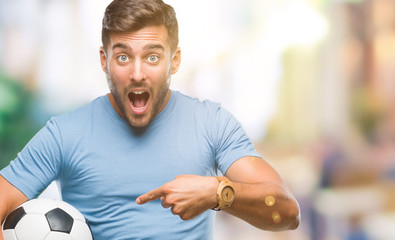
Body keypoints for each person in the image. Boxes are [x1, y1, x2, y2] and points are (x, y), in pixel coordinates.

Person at [0, 0, 300, 239]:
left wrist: (218, 192)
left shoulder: (212, 123)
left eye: (153, 57)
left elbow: (287, 213)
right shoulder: (65, 133)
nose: (138, 73)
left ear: (175, 60)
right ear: (104, 60)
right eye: (123, 57)